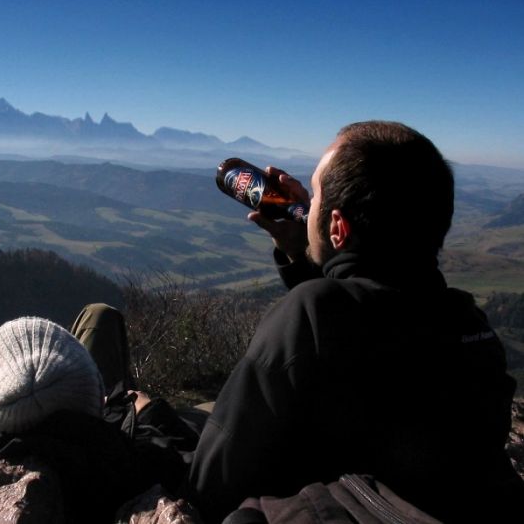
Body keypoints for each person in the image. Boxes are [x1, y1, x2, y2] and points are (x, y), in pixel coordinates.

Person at [188, 121, 524, 523]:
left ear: (338, 227)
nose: (305, 202)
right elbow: (370, 325)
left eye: (315, 196)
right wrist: (307, 254)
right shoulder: (468, 321)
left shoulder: (311, 314)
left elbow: (214, 482)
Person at [0, 305, 201, 524]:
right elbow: (188, 461)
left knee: (98, 314)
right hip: (131, 433)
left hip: (78, 430)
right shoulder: (129, 467)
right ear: (93, 401)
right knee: (101, 314)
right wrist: (149, 412)